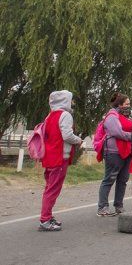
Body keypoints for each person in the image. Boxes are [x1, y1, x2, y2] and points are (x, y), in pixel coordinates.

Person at [38, 90, 83, 231]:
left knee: (49, 188)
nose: (72, 102)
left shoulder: (49, 116)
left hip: (49, 156)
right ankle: (45, 219)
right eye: (71, 99)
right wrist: (78, 140)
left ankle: (47, 216)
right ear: (65, 101)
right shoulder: (65, 115)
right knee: (53, 190)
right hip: (59, 157)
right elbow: (67, 135)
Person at [97, 92, 132, 216]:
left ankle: (119, 205)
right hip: (114, 152)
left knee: (123, 180)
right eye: (127, 104)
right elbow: (117, 132)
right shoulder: (111, 116)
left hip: (126, 151)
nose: (129, 106)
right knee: (109, 180)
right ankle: (102, 207)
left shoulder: (123, 116)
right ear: (120, 104)